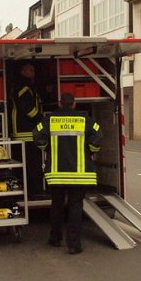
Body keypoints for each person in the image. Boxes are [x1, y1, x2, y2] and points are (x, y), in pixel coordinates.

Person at [34, 92, 102, 254]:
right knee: (75, 207)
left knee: (56, 206)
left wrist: (47, 148)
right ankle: (74, 245)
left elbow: (36, 135)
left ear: (60, 104)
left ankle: (55, 239)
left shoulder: (49, 120)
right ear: (74, 104)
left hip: (56, 174)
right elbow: (98, 136)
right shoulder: (85, 120)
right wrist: (91, 151)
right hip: (79, 174)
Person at [10, 63, 45, 195]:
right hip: (27, 132)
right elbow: (28, 109)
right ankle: (36, 191)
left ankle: (28, 190)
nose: (33, 72)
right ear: (23, 71)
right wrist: (42, 119)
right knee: (33, 164)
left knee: (27, 165)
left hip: (23, 132)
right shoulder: (24, 88)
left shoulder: (24, 86)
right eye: (30, 70)